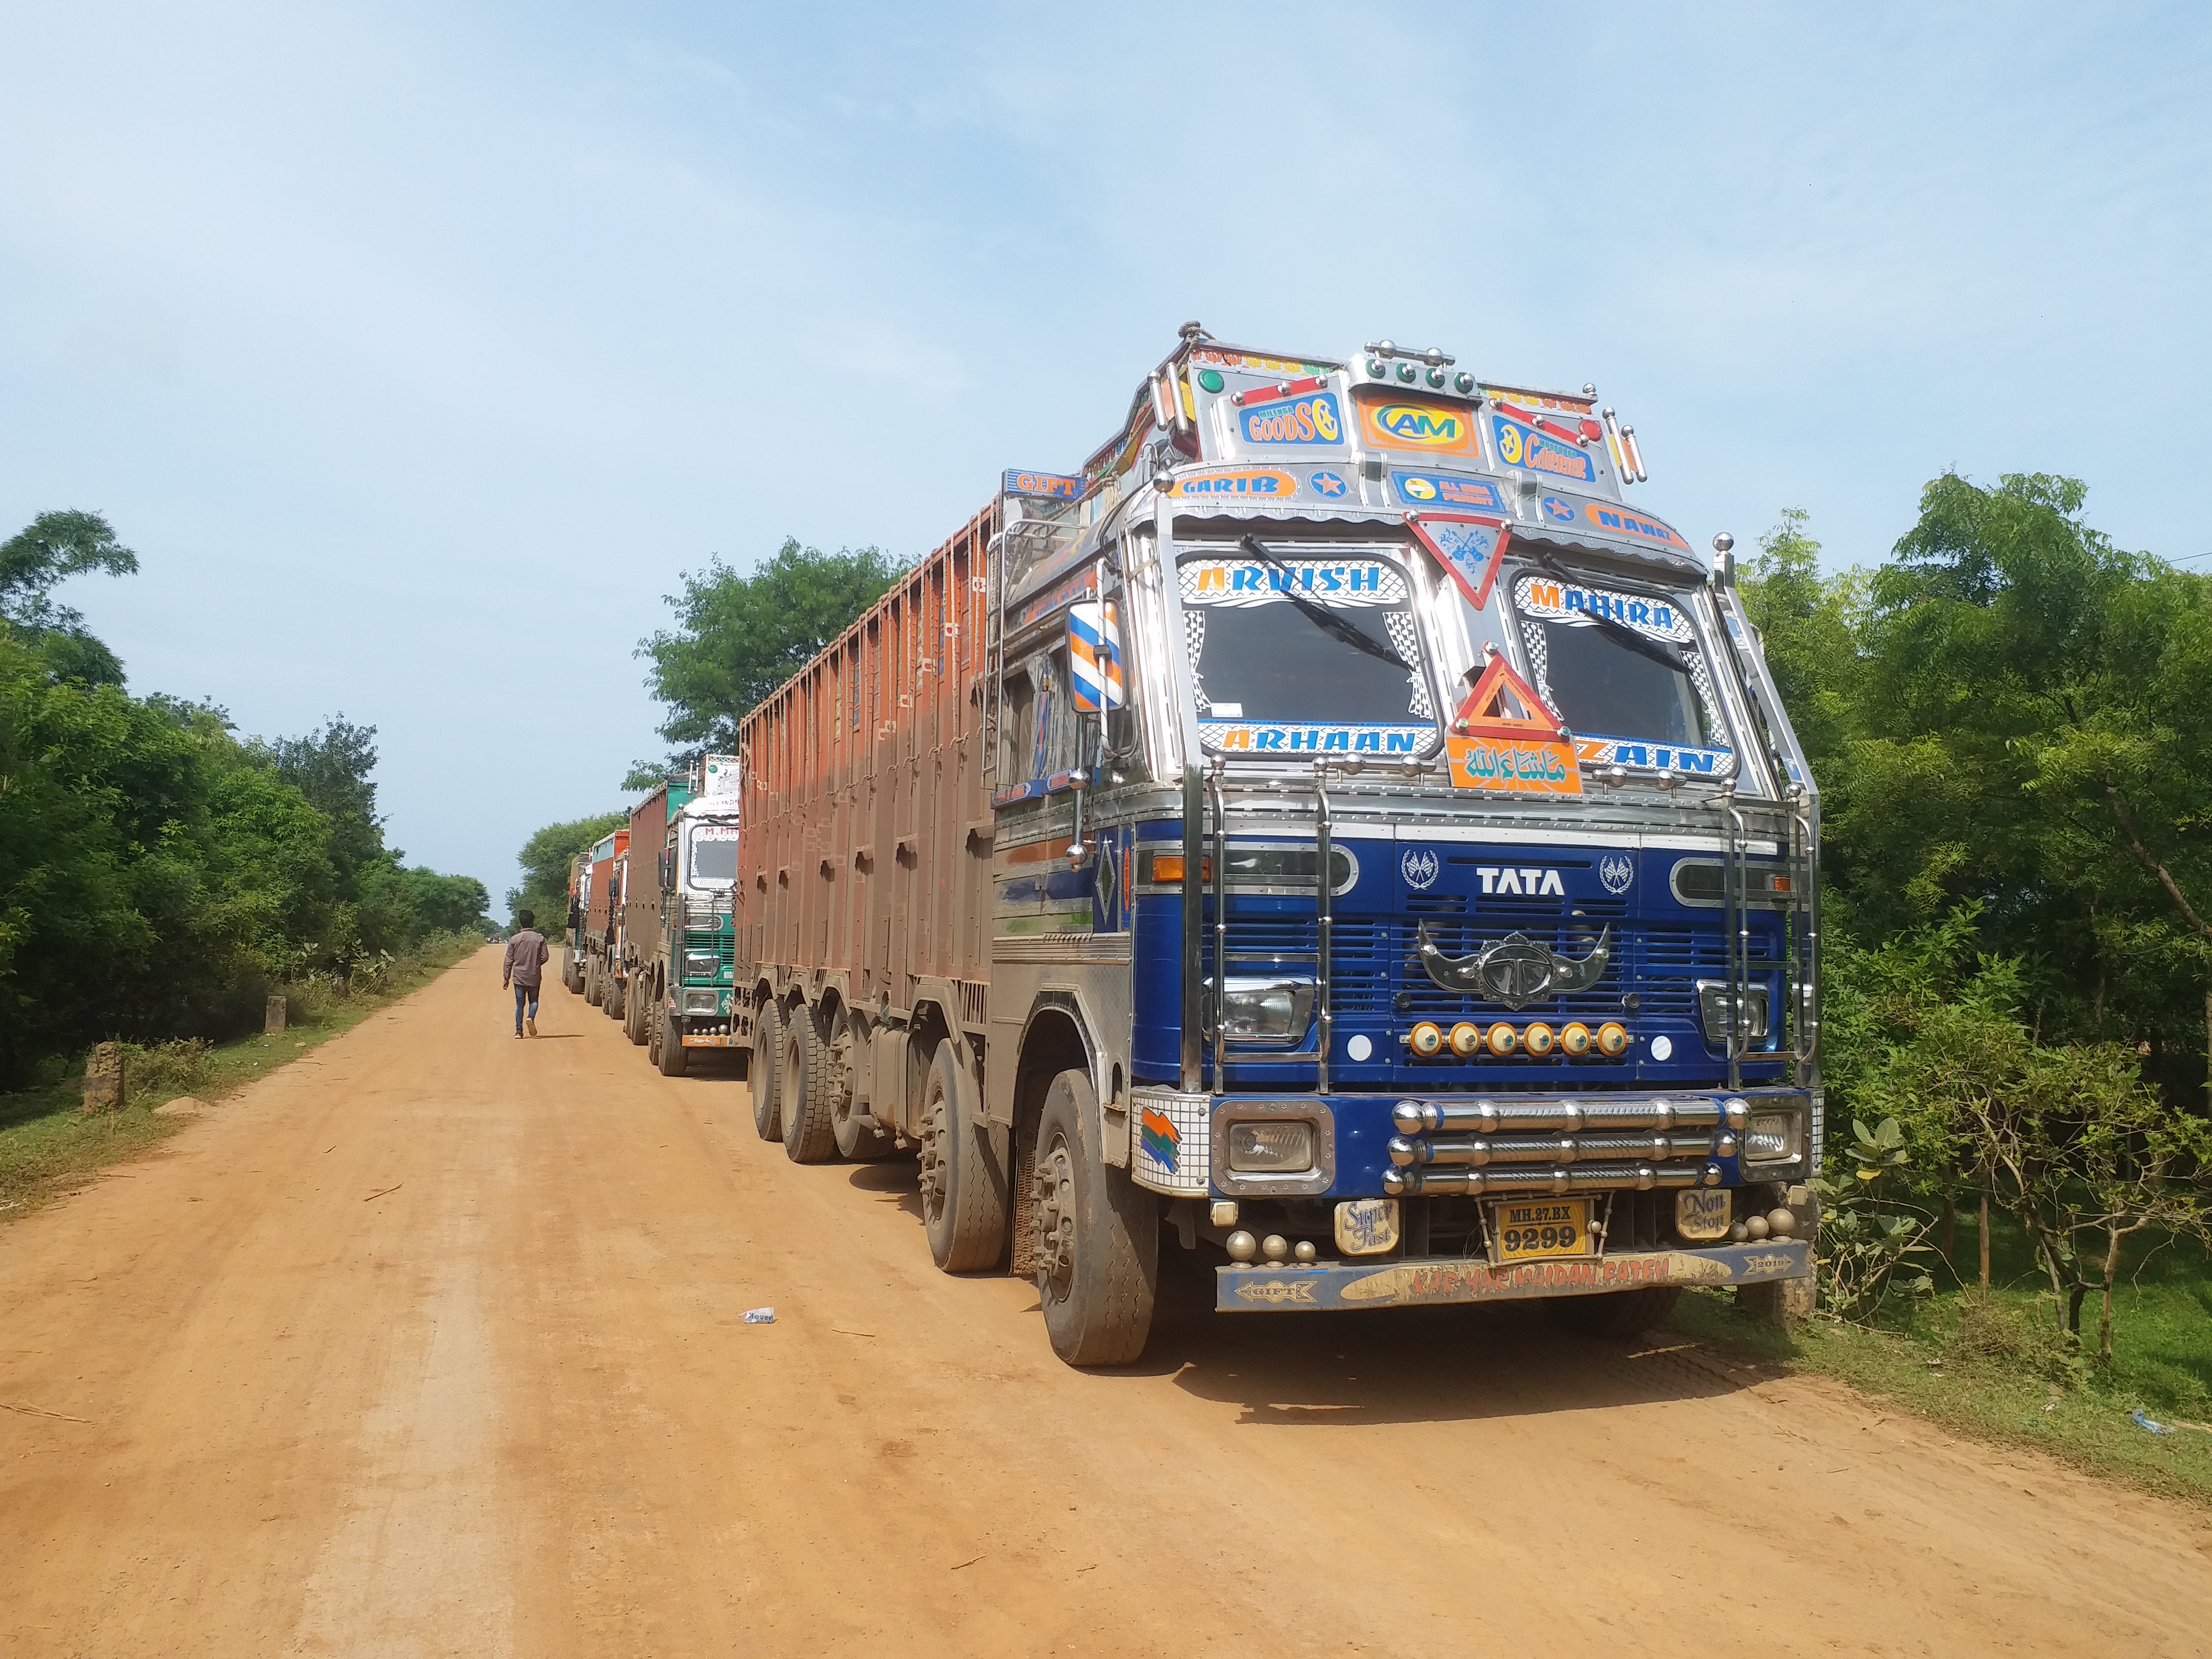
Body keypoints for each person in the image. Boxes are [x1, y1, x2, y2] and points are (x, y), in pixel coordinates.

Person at [503, 910, 551, 1037]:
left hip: (519, 977)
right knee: (534, 1001)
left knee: (519, 1004)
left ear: (521, 923)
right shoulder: (540, 938)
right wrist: (535, 963)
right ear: (533, 922)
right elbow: (545, 957)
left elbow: (508, 960)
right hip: (534, 976)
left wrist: (506, 978)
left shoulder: (514, 939)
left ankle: (519, 1032)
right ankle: (531, 1017)